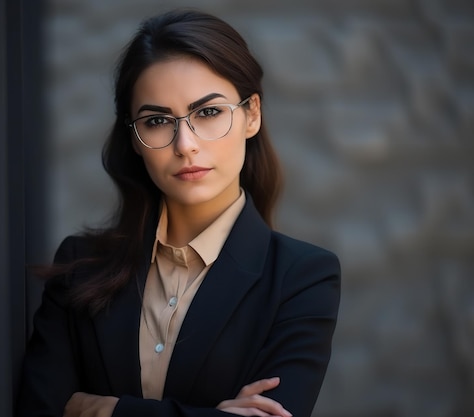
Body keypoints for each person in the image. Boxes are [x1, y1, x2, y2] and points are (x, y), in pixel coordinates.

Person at [17, 8, 340, 417]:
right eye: (156, 121)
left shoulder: (302, 277)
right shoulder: (81, 265)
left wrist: (100, 410)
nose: (184, 144)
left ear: (251, 115)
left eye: (208, 113)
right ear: (134, 139)